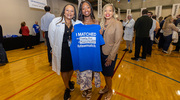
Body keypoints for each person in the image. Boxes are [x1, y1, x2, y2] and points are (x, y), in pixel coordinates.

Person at [71, 1, 104, 100]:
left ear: (91, 9)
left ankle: (89, 90)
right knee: (83, 73)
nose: (86, 10)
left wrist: (100, 33)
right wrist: (73, 32)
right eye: (83, 8)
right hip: (82, 54)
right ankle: (85, 89)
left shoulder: (96, 23)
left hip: (92, 54)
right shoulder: (77, 24)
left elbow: (100, 40)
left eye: (88, 7)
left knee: (91, 73)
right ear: (81, 10)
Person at [48, 4, 81, 100]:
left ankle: (69, 81)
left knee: (71, 68)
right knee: (63, 69)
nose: (69, 13)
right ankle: (67, 88)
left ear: (74, 13)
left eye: (72, 11)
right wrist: (52, 48)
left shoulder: (77, 23)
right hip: (61, 50)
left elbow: (86, 28)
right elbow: (51, 36)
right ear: (64, 11)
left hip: (73, 50)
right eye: (67, 10)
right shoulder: (55, 21)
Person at [99, 4, 123, 100]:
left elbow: (117, 42)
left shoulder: (117, 24)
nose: (107, 13)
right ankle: (106, 87)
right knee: (104, 73)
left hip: (109, 54)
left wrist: (110, 57)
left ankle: (110, 91)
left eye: (110, 11)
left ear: (113, 12)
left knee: (108, 75)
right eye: (105, 10)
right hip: (101, 52)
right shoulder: (101, 23)